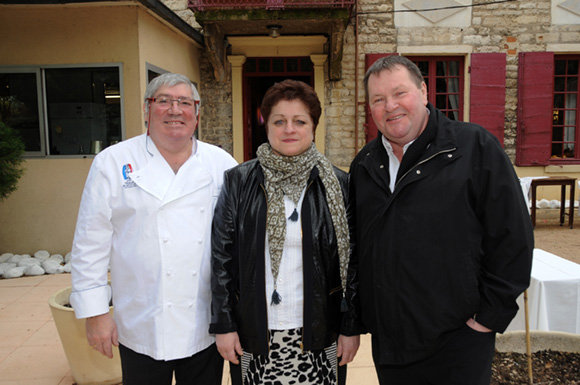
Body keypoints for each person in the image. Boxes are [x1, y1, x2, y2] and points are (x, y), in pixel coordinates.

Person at [349, 55, 534, 385]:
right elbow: (357, 250)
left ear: (423, 91)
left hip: (458, 341)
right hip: (391, 345)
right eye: (378, 99)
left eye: (399, 93)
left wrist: (487, 318)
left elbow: (513, 237)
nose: (390, 106)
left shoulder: (474, 148)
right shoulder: (365, 165)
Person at [70, 73, 237, 385]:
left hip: (203, 323)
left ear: (197, 112)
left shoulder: (221, 164)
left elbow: (239, 243)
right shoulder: (113, 162)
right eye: (164, 101)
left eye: (185, 102)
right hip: (140, 323)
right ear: (147, 110)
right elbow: (90, 242)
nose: (175, 110)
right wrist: (95, 314)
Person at [210, 79, 362, 385]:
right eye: (279, 121)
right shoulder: (239, 182)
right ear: (267, 126)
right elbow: (221, 259)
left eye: (299, 121)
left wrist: (351, 326)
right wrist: (224, 325)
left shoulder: (339, 185)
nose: (289, 129)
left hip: (321, 332)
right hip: (255, 333)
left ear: (313, 126)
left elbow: (354, 263)